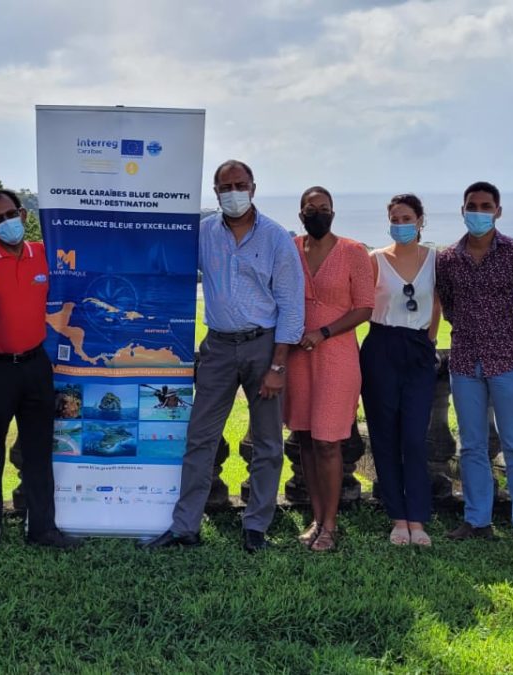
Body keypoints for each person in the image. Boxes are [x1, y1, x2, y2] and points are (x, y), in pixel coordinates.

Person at [140, 159, 304, 552]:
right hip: (216, 347)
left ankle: (256, 527)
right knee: (200, 438)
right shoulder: (204, 233)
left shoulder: (276, 237)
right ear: (215, 192)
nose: (233, 192)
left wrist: (278, 365)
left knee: (266, 442)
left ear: (253, 187)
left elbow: (291, 304)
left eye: (239, 184)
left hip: (263, 346)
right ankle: (185, 528)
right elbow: (169, 267)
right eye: (225, 186)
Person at [437, 181, 513, 551]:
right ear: (462, 209)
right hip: (465, 361)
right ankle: (477, 518)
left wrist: (510, 335)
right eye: (472, 205)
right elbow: (448, 306)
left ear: (498, 211)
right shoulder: (448, 259)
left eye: (486, 206)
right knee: (471, 444)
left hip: (508, 361)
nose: (478, 212)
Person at [0, 189, 79, 552]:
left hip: (36, 365)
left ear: (24, 215)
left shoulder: (44, 253)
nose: (6, 223)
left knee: (37, 451)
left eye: (11, 214)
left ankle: (43, 530)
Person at [284, 186, 375, 552]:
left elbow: (365, 307)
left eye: (324, 208)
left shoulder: (354, 252)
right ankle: (317, 517)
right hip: (298, 357)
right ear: (300, 212)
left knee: (327, 441)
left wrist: (322, 333)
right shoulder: (291, 250)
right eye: (310, 207)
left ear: (333, 212)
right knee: (305, 437)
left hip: (336, 356)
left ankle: (331, 525)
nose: (317, 212)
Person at [360, 194, 440, 547]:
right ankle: (398, 517)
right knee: (384, 436)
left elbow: (437, 303)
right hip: (381, 346)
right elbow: (361, 302)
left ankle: (418, 517)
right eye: (395, 218)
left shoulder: (437, 259)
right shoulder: (375, 259)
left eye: (407, 217)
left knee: (413, 436)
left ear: (421, 220)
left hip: (419, 348)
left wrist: (429, 340)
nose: (401, 223)